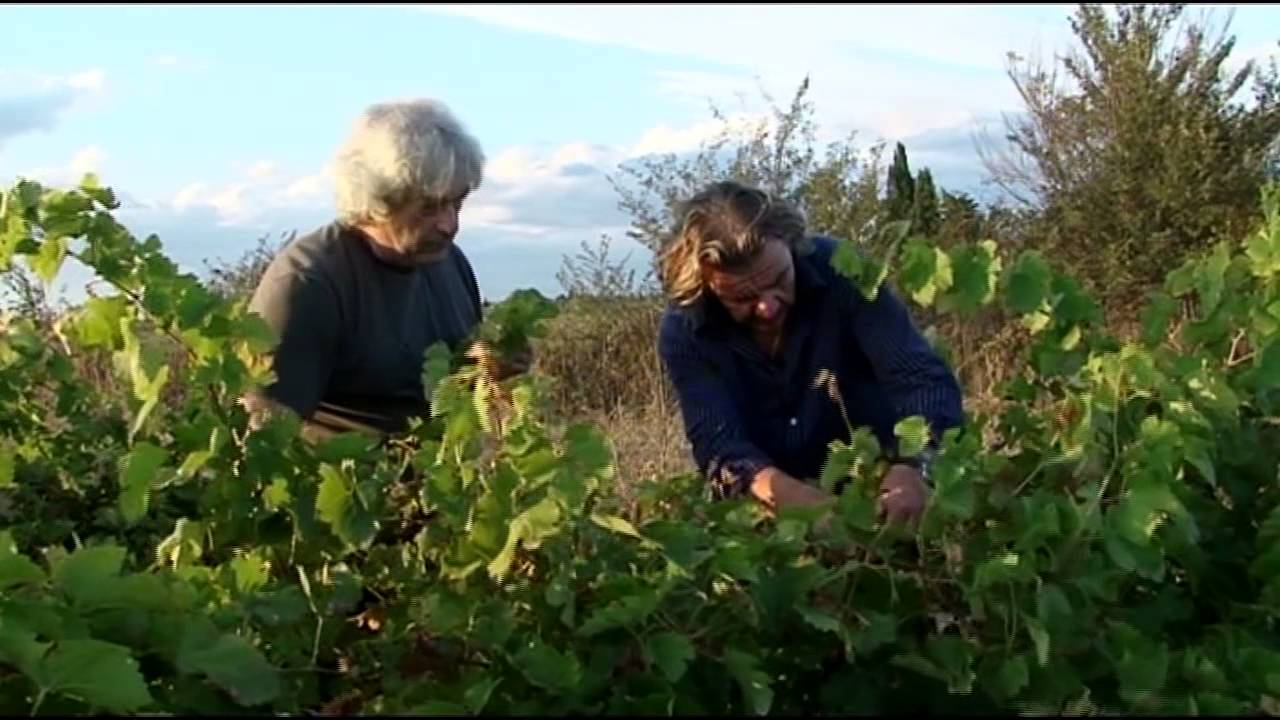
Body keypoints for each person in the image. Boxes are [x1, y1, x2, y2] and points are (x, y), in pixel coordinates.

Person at [656, 180, 964, 525]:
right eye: (742, 298)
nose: (768, 307)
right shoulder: (685, 331)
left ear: (791, 245)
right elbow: (720, 448)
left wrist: (914, 466)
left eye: (779, 280)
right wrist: (809, 507)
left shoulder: (844, 273)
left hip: (882, 494)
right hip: (772, 521)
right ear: (706, 286)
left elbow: (920, 378)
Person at [244, 98, 506, 442]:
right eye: (428, 208)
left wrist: (496, 368)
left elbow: (459, 387)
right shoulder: (308, 282)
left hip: (441, 473)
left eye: (457, 204)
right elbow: (265, 435)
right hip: (350, 472)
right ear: (379, 201)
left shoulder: (449, 263)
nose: (450, 225)